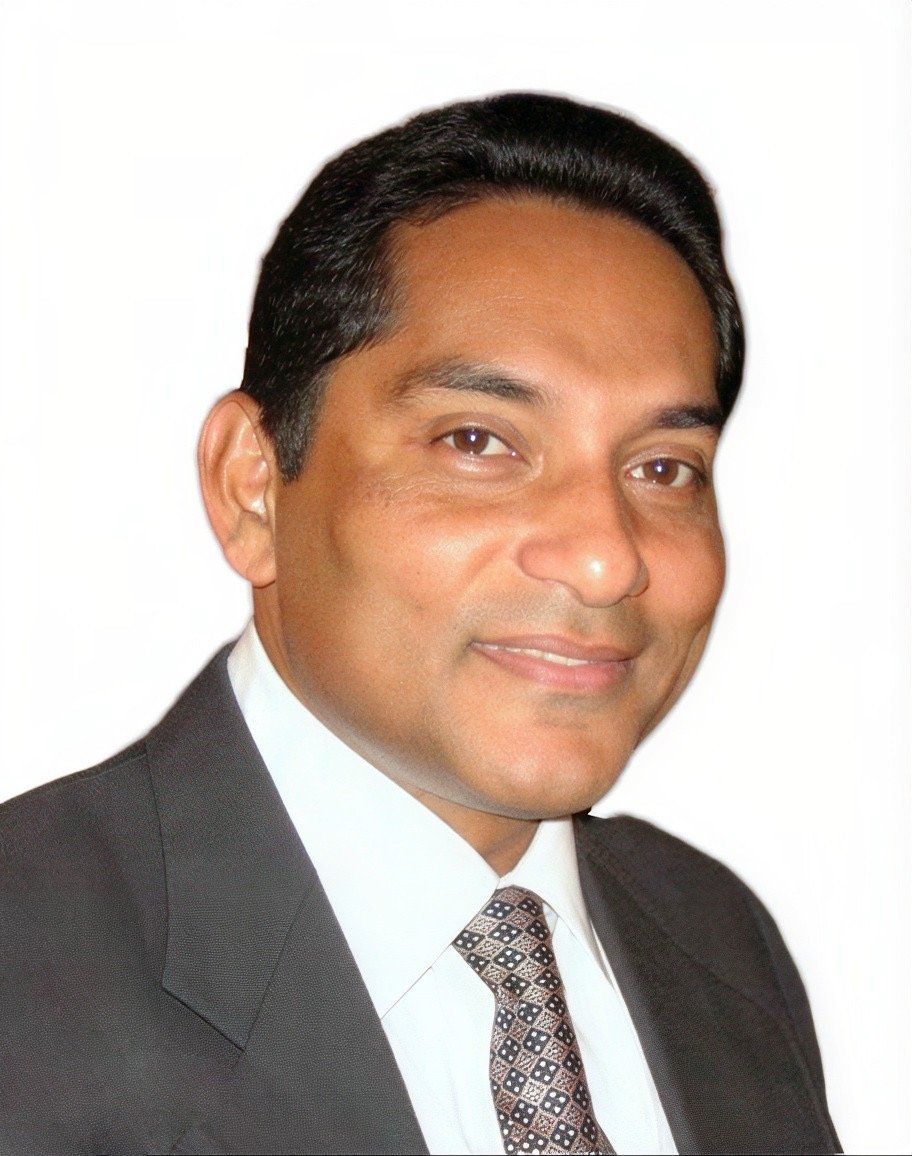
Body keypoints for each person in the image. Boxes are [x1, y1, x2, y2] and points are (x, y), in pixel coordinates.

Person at [0, 93, 840, 1155]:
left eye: (664, 468)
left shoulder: (717, 940)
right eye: (479, 441)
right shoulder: (27, 963)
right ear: (252, 487)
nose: (606, 556)